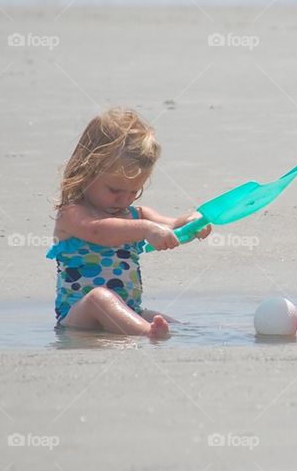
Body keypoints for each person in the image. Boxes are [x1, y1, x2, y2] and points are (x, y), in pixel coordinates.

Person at [47, 108, 211, 338]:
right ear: (87, 171)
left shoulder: (137, 214)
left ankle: (204, 334)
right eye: (114, 190)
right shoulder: (72, 213)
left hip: (127, 309)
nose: (124, 199)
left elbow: (173, 224)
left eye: (134, 191)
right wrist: (147, 229)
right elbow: (99, 232)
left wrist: (194, 222)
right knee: (100, 297)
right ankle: (149, 335)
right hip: (79, 316)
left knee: (174, 324)